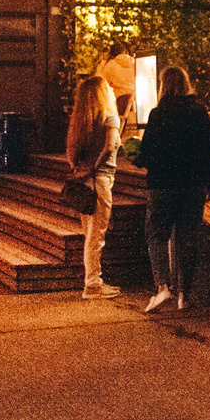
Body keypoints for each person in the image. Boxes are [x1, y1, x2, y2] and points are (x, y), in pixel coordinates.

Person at [136, 65, 210, 312]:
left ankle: (163, 287)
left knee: (156, 233)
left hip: (162, 184)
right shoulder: (199, 112)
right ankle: (185, 293)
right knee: (188, 236)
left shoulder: (157, 114)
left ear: (162, 86)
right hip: (192, 184)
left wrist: (137, 158)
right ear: (186, 84)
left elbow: (147, 151)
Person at [66, 74, 122, 301]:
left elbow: (69, 153)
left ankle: (93, 282)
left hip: (85, 183)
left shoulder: (81, 121)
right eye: (108, 86)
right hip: (100, 180)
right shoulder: (110, 117)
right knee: (96, 235)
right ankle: (93, 285)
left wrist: (78, 169)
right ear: (101, 93)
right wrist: (93, 168)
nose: (111, 87)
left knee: (89, 233)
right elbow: (110, 147)